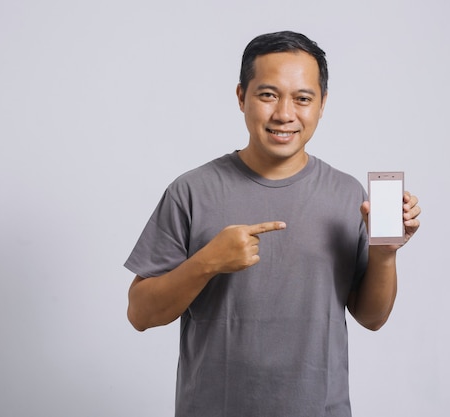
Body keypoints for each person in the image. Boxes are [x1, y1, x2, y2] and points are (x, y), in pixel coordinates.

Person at [125, 30, 421, 417]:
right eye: (268, 95)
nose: (285, 113)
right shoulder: (191, 191)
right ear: (241, 97)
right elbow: (140, 314)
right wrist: (207, 262)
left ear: (322, 104)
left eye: (302, 98)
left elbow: (372, 318)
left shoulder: (347, 194)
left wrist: (384, 255)